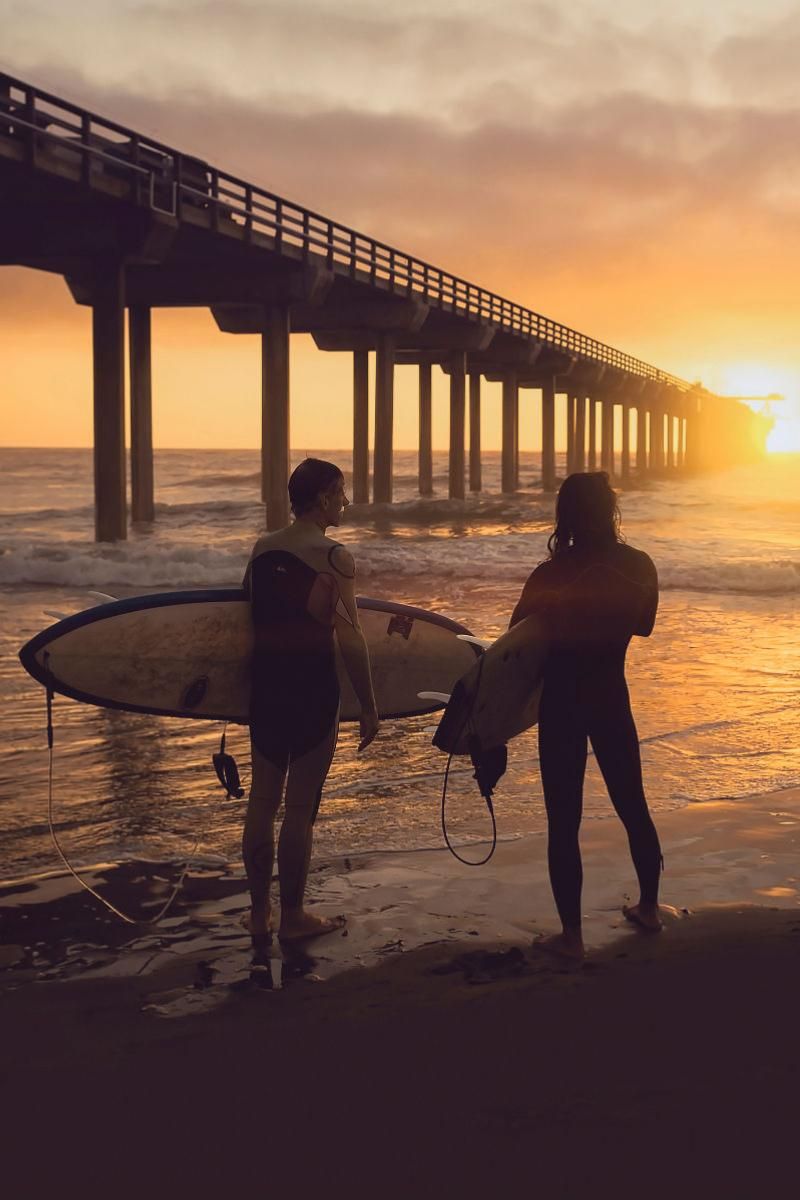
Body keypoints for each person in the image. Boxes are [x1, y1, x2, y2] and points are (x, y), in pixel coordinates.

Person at [509, 471, 663, 960]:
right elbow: (644, 627)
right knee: (632, 804)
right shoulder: (640, 566)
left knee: (564, 820)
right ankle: (650, 907)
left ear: (566, 515)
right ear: (610, 510)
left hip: (563, 702)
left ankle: (572, 937)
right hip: (610, 696)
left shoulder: (550, 574)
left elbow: (515, 644)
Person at [242, 458, 379, 945]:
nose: (346, 501)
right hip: (312, 690)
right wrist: (368, 704)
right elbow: (352, 636)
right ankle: (294, 915)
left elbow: (244, 620)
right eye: (341, 491)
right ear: (322, 497)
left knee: (262, 803)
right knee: (300, 809)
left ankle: (260, 914)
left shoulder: (261, 549)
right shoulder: (334, 556)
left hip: (266, 691)